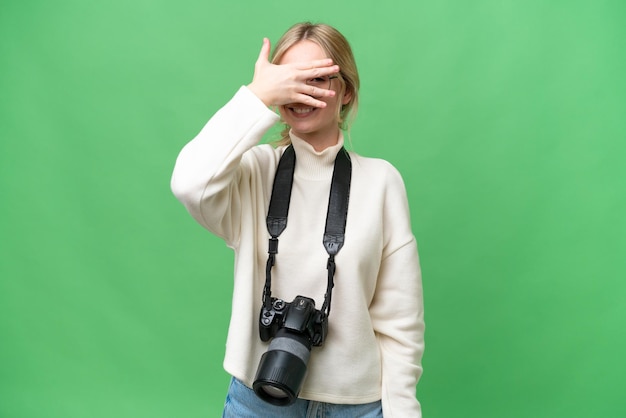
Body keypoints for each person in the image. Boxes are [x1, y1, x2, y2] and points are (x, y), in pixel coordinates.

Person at [171, 22, 425, 418]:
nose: (302, 92)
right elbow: (189, 183)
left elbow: (401, 321)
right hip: (258, 399)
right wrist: (257, 96)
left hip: (357, 406)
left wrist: (402, 411)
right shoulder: (252, 173)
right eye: (291, 80)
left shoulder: (381, 182)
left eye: (318, 79)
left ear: (346, 92)